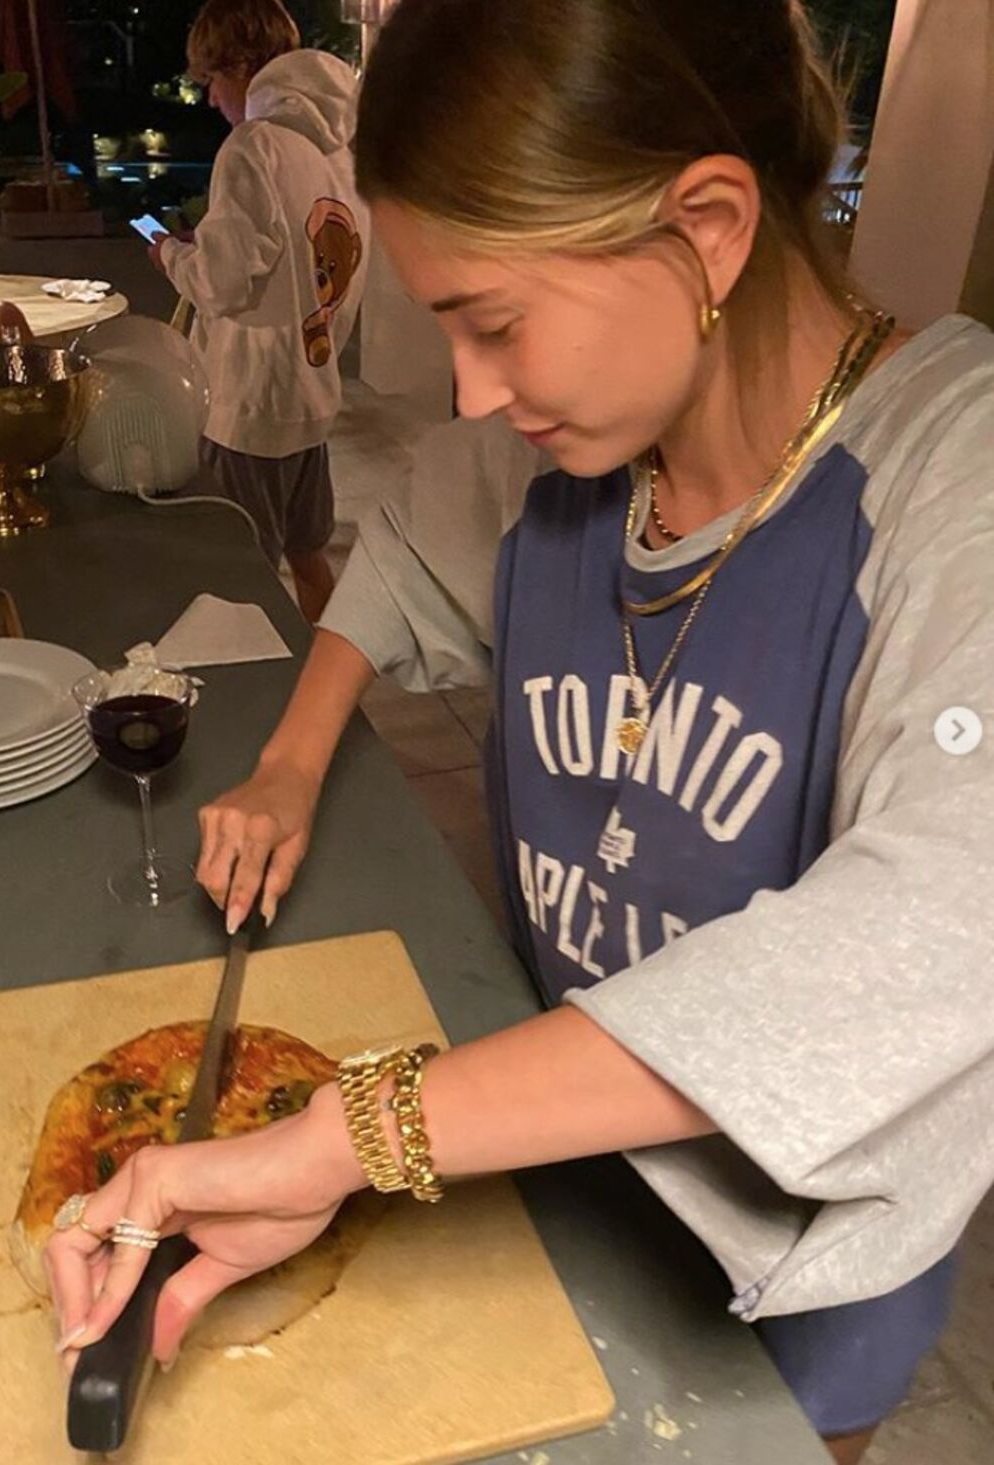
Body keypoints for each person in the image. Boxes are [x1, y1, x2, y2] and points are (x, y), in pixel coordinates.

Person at [48, 4, 994, 1461]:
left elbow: (938, 927)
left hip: (786, 1291)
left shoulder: (952, 481)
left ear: (710, 229)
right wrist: (295, 759)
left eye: (495, 323)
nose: (477, 395)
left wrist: (346, 1136)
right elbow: (410, 544)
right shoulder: (575, 448)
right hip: (538, 1155)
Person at [149, 0, 370, 622]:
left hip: (249, 407)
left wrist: (169, 254)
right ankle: (328, 696)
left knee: (238, 579)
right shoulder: (341, 159)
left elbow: (219, 284)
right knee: (307, 558)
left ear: (242, 67)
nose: (211, 100)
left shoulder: (254, 146)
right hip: (310, 397)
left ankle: (272, 706)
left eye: (210, 81)